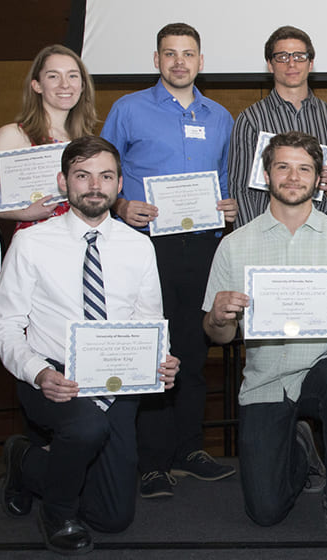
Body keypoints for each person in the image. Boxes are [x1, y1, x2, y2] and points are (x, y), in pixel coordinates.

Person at [0, 136, 179, 555]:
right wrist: (39, 372)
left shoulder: (139, 246)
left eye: (106, 176)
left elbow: (150, 322)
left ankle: (26, 462)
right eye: (83, 175)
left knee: (113, 518)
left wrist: (161, 361)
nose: (95, 185)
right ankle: (57, 512)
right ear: (63, 182)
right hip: (53, 375)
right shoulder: (31, 243)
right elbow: (3, 326)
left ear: (119, 185)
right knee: (85, 427)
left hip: (118, 380)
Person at [202, 131, 327, 545]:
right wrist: (218, 315)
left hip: (324, 369)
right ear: (267, 175)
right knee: (265, 513)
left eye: (304, 168)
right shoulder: (234, 246)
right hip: (265, 381)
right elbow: (218, 333)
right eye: (283, 166)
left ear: (320, 178)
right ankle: (302, 451)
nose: (293, 177)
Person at [99, 22, 237, 500]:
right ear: (156, 60)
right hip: (143, 245)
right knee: (154, 350)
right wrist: (119, 206)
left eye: (189, 54)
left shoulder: (220, 117)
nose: (180, 61)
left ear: (201, 61)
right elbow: (103, 172)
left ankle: (190, 450)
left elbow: (225, 179)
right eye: (170, 53)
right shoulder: (127, 109)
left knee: (195, 352)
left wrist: (229, 206)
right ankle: (151, 461)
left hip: (202, 246)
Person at [229, 25, 327, 226]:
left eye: (299, 56)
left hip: (321, 236)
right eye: (282, 57)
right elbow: (240, 189)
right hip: (267, 236)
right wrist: (256, 239)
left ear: (310, 64)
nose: (291, 63)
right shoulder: (251, 119)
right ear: (270, 65)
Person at [0, 45, 97, 229]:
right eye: (53, 76)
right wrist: (24, 213)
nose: (65, 84)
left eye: (72, 75)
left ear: (82, 85)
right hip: (35, 243)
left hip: (81, 243)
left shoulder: (86, 141)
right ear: (37, 85)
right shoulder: (14, 135)